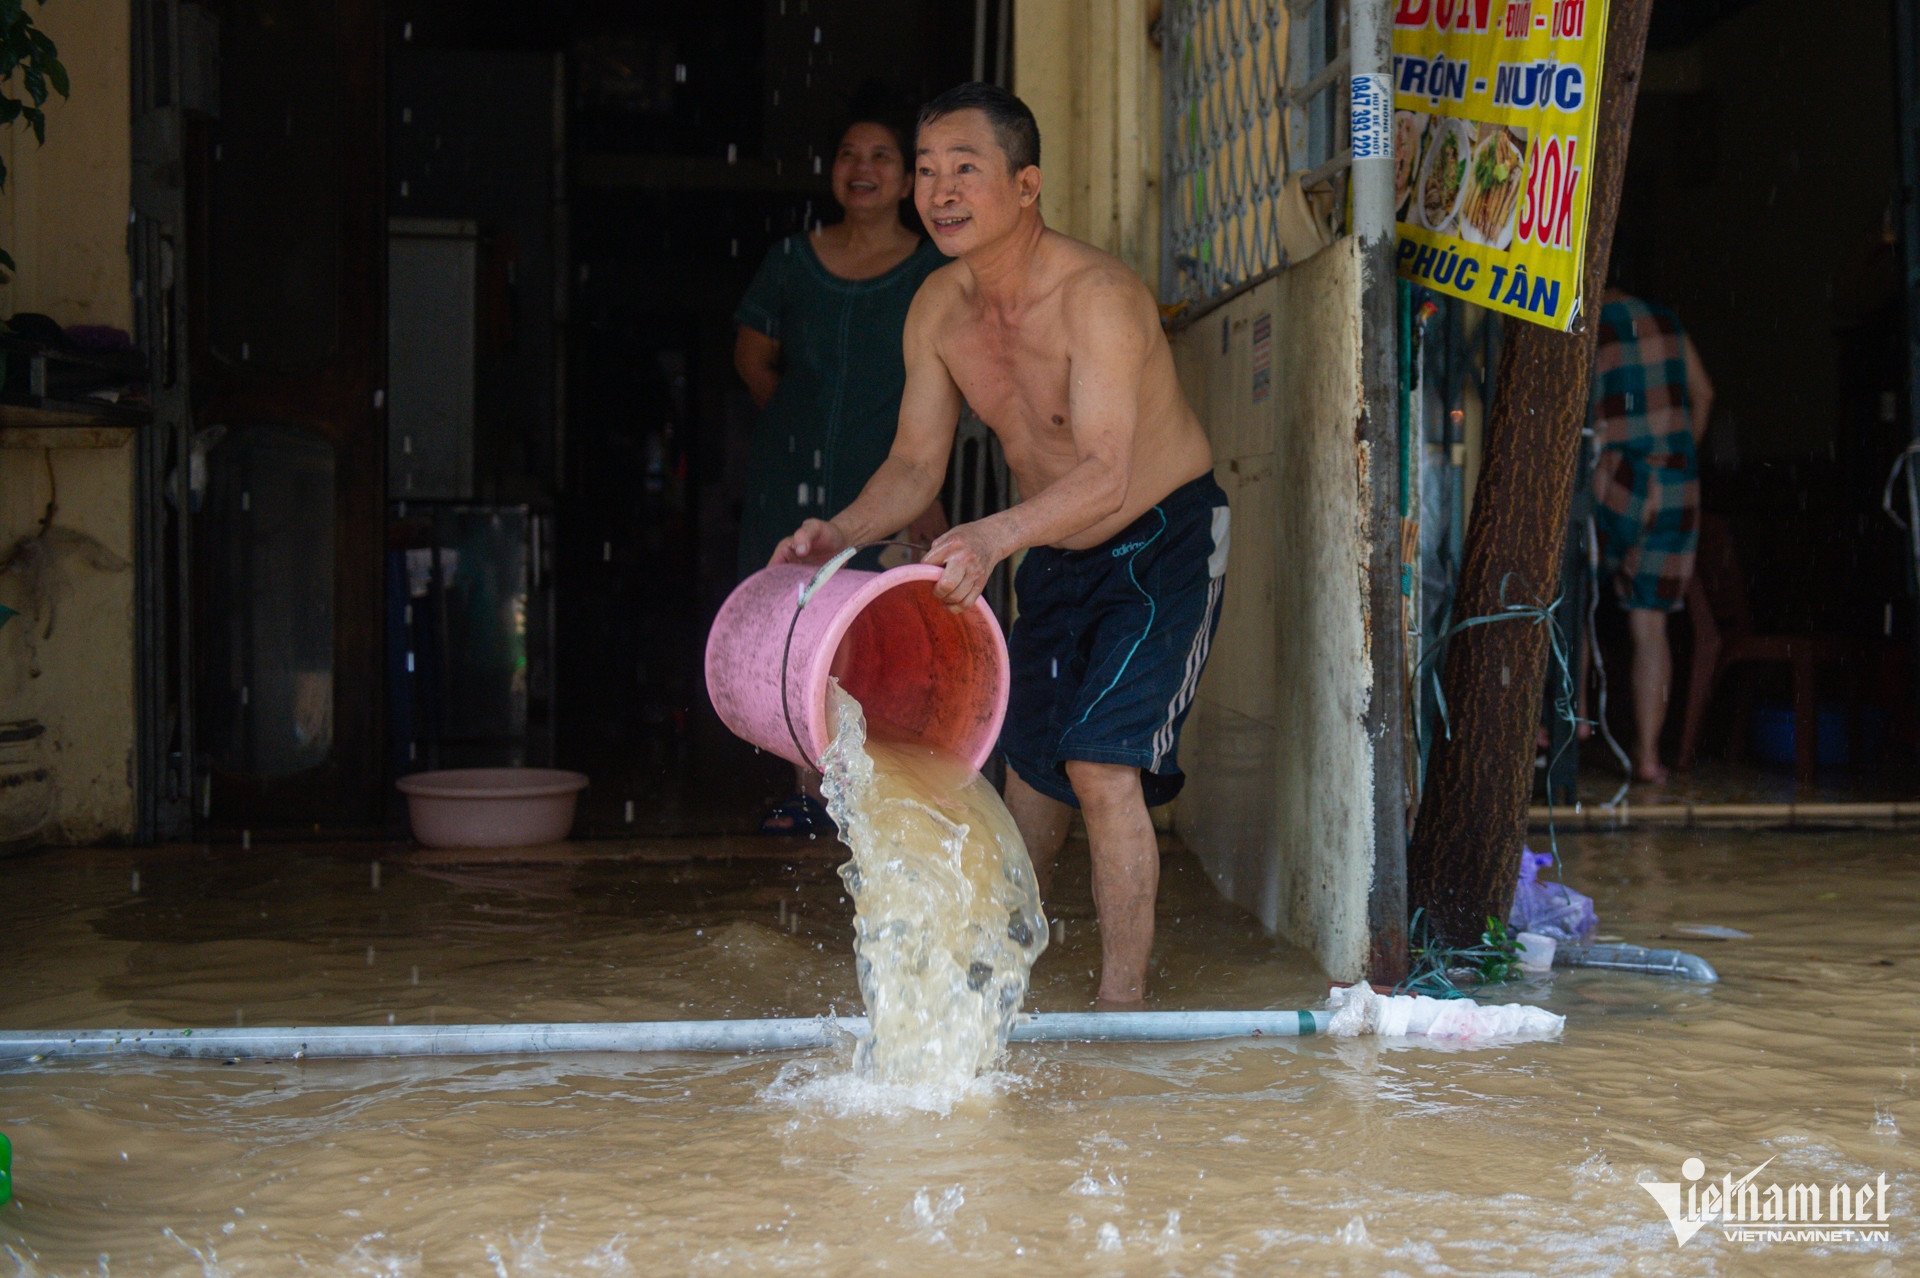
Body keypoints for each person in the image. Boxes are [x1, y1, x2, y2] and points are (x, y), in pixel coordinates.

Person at [771, 83, 1228, 1005]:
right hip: (1052, 554)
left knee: (1101, 765)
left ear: (1027, 186)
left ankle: (1119, 1011)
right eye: (928, 172)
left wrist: (993, 538)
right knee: (1026, 783)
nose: (939, 192)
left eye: (964, 171)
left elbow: (1105, 471)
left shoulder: (1096, 297)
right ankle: (1000, 997)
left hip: (1160, 541)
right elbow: (912, 466)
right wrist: (842, 532)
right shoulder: (938, 308)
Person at [734, 110, 950, 833]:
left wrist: (908, 477)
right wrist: (803, 426)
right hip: (789, 472)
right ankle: (808, 791)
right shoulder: (792, 260)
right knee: (798, 628)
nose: (864, 167)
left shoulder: (935, 271)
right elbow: (752, 359)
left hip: (892, 476)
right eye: (849, 153)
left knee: (882, 629)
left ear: (908, 176)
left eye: (883, 155)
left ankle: (877, 794)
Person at [1589, 288, 1714, 784]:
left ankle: (1569, 719)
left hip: (1615, 474)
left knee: (1574, 596)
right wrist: (1676, 455)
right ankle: (1647, 757)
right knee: (1651, 626)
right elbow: (1704, 394)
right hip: (1675, 478)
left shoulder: (1584, 318)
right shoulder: (1666, 320)